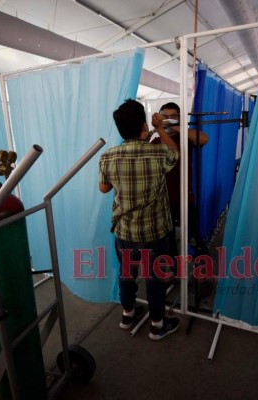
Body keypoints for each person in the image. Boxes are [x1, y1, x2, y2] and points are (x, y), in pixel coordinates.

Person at [99, 99, 180, 340]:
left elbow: (104, 188)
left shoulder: (108, 156)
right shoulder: (157, 152)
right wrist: (159, 128)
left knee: (127, 273)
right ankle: (157, 325)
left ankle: (127, 315)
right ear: (144, 126)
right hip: (154, 233)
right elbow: (175, 154)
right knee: (154, 279)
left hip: (124, 231)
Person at [149, 102, 208, 258]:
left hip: (184, 197)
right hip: (163, 200)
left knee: (194, 236)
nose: (168, 119)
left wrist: (175, 125)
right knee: (168, 240)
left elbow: (203, 139)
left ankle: (203, 270)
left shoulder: (184, 138)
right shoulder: (155, 142)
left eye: (173, 116)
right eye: (165, 116)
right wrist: (161, 128)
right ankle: (175, 271)